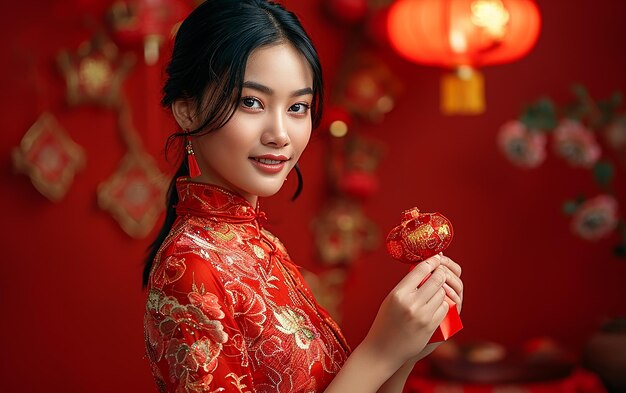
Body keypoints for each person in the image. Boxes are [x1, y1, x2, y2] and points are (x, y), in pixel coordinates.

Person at [142, 1, 464, 392]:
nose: (280, 133)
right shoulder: (188, 268)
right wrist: (379, 350)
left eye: (297, 107)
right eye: (251, 102)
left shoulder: (258, 243)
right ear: (187, 110)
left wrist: (407, 350)